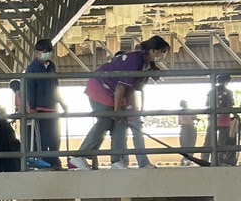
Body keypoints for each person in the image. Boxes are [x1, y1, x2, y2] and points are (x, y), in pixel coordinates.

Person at [71, 36, 171, 170]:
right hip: (101, 87)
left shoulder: (144, 65)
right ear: (154, 50)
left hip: (113, 92)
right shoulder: (136, 60)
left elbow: (130, 89)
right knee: (105, 120)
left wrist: (123, 109)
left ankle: (117, 161)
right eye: (162, 51)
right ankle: (80, 155)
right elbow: (120, 87)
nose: (162, 55)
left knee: (121, 123)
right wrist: (117, 111)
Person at [23, 38, 66, 168]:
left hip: (53, 108)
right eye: (44, 51)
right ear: (37, 52)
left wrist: (61, 102)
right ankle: (45, 162)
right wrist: (33, 107)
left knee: (54, 136)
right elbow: (30, 89)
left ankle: (54, 160)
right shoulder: (32, 68)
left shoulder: (51, 66)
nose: (47, 54)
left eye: (49, 51)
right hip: (40, 108)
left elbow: (55, 85)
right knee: (41, 137)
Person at [204, 75, 240, 166]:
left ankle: (204, 159)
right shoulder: (228, 92)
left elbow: (207, 104)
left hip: (213, 119)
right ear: (227, 82)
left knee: (209, 140)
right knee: (222, 142)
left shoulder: (211, 92)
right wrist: (236, 115)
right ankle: (219, 161)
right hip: (224, 120)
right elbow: (229, 106)